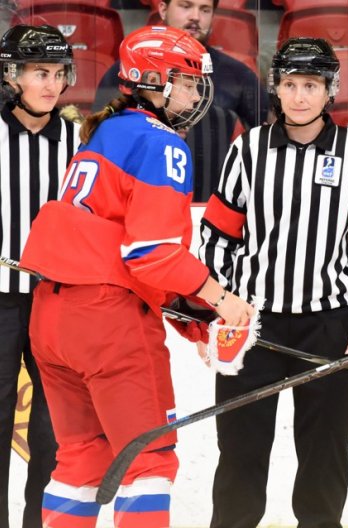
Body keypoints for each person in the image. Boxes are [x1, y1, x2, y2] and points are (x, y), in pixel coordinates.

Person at [20, 25, 254, 528]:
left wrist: (191, 320)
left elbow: (117, 253)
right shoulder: (162, 144)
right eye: (187, 82)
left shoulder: (106, 130)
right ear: (151, 80)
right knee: (147, 460)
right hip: (109, 326)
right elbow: (152, 255)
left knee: (81, 459)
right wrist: (221, 300)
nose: (195, 95)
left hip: (53, 319)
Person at [200, 37, 348, 528]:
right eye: (290, 84)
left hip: (332, 324)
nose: (301, 96)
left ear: (331, 90)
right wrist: (224, 305)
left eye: (312, 85)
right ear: (275, 89)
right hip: (254, 324)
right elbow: (217, 237)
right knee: (240, 457)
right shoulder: (246, 150)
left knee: (324, 460)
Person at [0, 24, 80, 528]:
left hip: (58, 304)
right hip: (0, 303)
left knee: (54, 432)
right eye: (38, 72)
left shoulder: (79, 139)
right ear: (12, 76)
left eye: (57, 74)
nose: (50, 85)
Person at [93, 0, 267, 202]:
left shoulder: (239, 76)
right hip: (140, 199)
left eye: (205, 9)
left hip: (211, 201)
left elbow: (262, 141)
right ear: (163, 9)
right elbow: (103, 136)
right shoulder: (125, 71)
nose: (195, 16)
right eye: (186, 6)